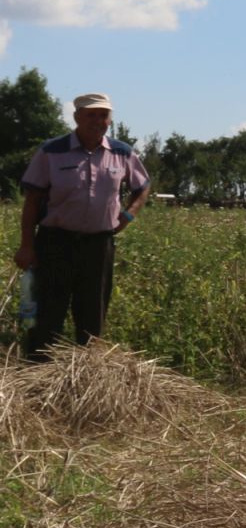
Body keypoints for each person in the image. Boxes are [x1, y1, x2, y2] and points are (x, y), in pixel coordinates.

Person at [16, 94, 151, 360]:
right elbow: (32, 202)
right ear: (77, 117)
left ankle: (89, 378)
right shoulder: (52, 151)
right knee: (47, 312)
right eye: (91, 115)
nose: (98, 121)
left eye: (104, 115)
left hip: (98, 245)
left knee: (93, 312)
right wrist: (26, 246)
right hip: (55, 242)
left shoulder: (121, 152)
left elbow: (143, 187)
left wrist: (129, 215)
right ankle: (37, 375)